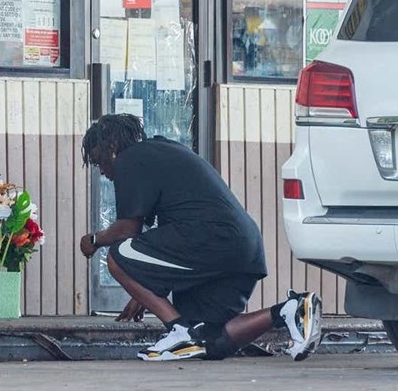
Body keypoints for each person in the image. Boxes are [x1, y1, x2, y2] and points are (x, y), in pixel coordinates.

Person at [79, 114, 322, 362]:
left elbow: (126, 232)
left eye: (99, 161)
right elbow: (167, 247)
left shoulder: (130, 159)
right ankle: (289, 310)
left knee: (118, 257)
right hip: (241, 247)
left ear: (112, 148)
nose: (102, 171)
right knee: (209, 339)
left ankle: (179, 331)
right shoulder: (162, 153)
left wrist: (95, 240)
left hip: (213, 240)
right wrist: (141, 292)